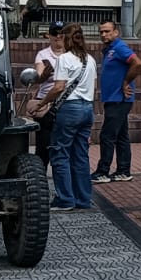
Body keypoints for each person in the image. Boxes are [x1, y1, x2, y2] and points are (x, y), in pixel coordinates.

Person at [48, 24, 97, 212]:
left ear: (65, 39)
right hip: (87, 108)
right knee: (81, 156)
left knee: (60, 153)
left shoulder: (64, 59)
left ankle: (65, 198)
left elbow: (59, 87)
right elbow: (94, 88)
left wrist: (43, 102)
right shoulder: (90, 60)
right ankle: (83, 199)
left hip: (69, 109)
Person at [92, 19, 140, 184]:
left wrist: (126, 82)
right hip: (113, 98)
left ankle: (103, 171)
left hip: (119, 98)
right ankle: (123, 170)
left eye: (107, 31)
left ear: (116, 32)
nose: (103, 34)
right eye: (101, 32)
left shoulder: (119, 48)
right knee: (121, 135)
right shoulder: (109, 50)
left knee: (108, 135)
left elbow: (137, 63)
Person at [31, 22, 66, 166]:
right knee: (43, 145)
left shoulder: (72, 54)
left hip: (65, 102)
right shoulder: (43, 54)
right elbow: (38, 78)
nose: (58, 37)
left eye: (61, 34)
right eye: (54, 34)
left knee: (63, 146)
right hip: (46, 102)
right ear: (48, 36)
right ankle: (40, 180)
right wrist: (45, 75)